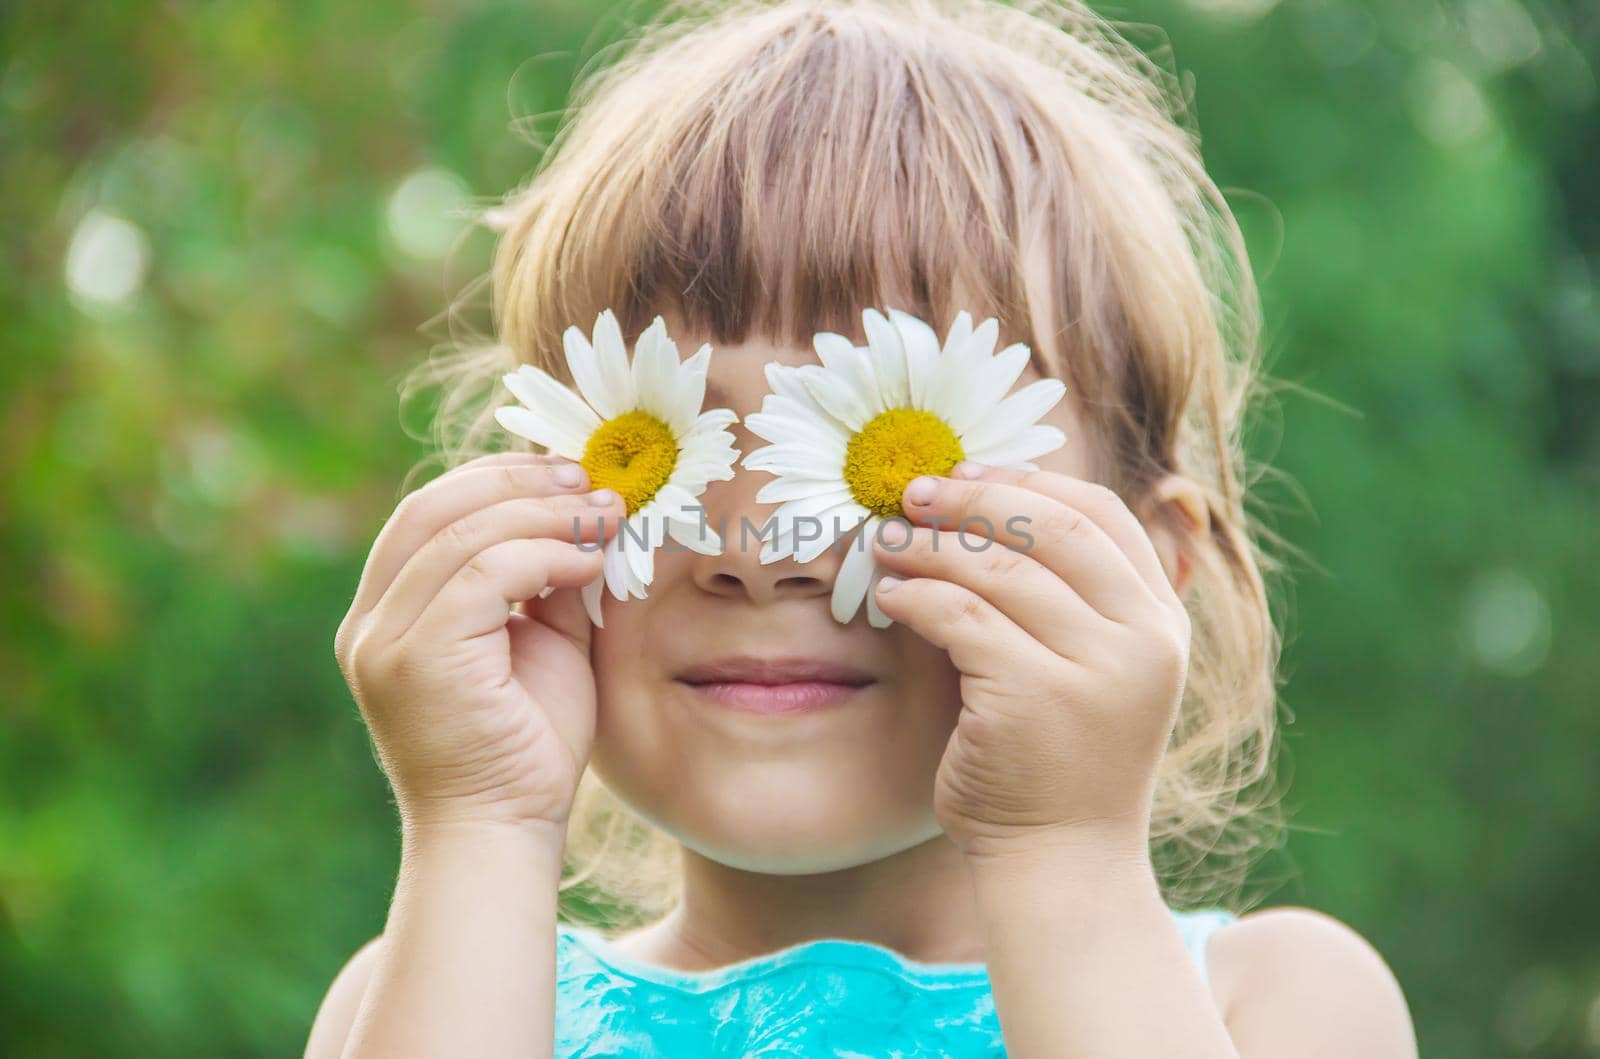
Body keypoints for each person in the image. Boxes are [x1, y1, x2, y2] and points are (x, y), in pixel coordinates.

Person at [304, 1, 1418, 1055]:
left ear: (1151, 564)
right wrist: (479, 825)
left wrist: (1061, 850)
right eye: (660, 444)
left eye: (899, 454)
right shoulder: (420, 990)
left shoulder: (1275, 1006)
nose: (755, 551)